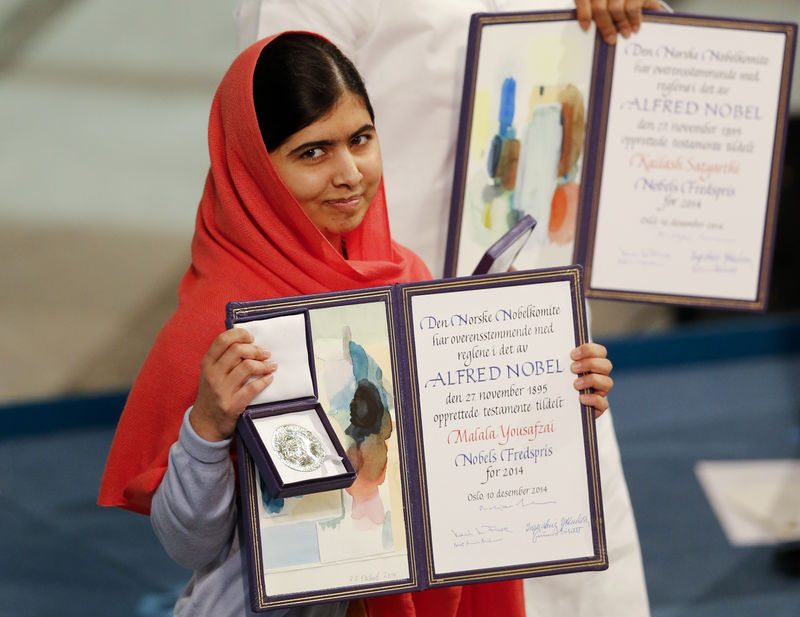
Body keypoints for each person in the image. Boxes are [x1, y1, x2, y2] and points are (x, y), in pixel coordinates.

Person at [98, 32, 615, 617]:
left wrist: (549, 397)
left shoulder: (403, 276)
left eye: (360, 139)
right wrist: (207, 429)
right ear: (252, 171)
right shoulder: (220, 327)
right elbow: (188, 544)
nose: (348, 173)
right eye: (312, 152)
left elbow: (457, 463)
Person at [233, 2, 658, 616]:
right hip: (385, 342)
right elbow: (273, 142)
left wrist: (632, 18)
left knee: (572, 566)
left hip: (536, 321)